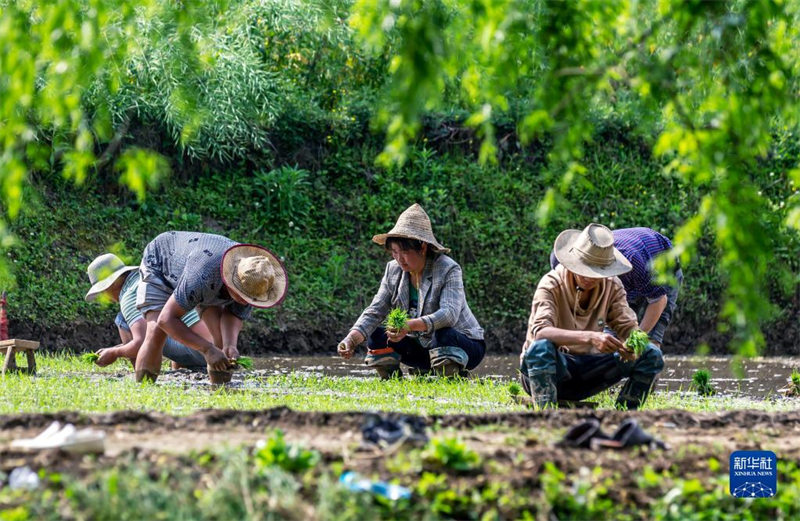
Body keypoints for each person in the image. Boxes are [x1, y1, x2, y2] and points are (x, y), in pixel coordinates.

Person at [522, 223, 664, 409]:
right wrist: (590, 337)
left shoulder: (613, 286)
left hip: (588, 372)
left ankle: (626, 413)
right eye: (585, 269)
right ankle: (545, 412)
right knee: (541, 348)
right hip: (551, 369)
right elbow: (540, 332)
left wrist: (631, 345)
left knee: (651, 353)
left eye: (596, 272)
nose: (589, 277)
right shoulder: (551, 284)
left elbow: (628, 327)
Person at [336, 203, 486, 378]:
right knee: (377, 333)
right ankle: (393, 376)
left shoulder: (447, 268)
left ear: (422, 247)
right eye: (394, 252)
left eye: (405, 252)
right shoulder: (393, 270)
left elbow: (449, 314)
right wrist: (351, 339)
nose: (399, 259)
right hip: (422, 345)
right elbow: (375, 311)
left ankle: (451, 374)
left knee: (444, 334)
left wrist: (409, 325)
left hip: (463, 345)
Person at [132, 231, 288, 382]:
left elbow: (233, 314)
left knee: (220, 344)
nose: (245, 302)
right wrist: (206, 349)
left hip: (207, 278)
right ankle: (143, 389)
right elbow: (166, 320)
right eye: (242, 295)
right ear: (232, 281)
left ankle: (220, 392)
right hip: (163, 260)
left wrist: (230, 345)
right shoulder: (203, 276)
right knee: (156, 333)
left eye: (250, 298)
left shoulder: (255, 277)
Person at [550, 227, 682, 347]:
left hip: (661, 266)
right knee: (611, 339)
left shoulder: (631, 263)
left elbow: (659, 300)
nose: (586, 278)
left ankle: (645, 368)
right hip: (631, 279)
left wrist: (635, 341)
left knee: (649, 342)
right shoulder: (562, 261)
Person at [85, 253, 211, 370]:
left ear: (110, 285)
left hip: (202, 351)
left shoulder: (129, 294)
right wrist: (115, 349)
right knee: (165, 323)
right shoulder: (150, 278)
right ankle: (182, 368)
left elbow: (141, 342)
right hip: (214, 344)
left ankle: (141, 368)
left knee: (122, 319)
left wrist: (114, 353)